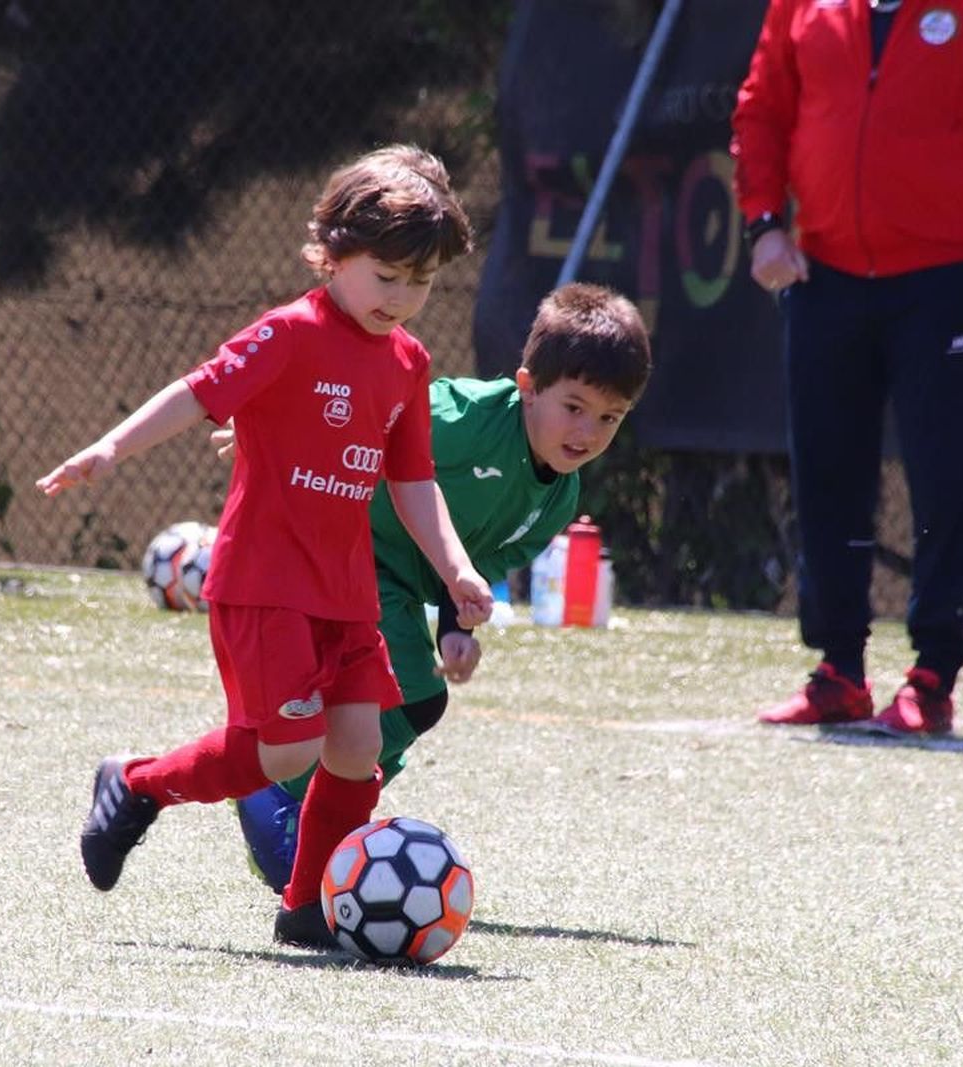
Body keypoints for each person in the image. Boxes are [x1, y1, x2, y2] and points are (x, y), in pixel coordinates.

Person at [36, 144, 494, 949]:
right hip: (265, 582)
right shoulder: (289, 332)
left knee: (356, 745)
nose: (402, 298)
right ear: (333, 254)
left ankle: (306, 906)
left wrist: (456, 567)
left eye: (420, 282)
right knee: (286, 750)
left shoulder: (409, 363)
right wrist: (110, 449)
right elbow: (198, 391)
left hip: (346, 592)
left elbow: (412, 482)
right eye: (386, 277)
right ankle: (137, 784)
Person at [228, 283, 653, 893]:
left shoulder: (559, 499)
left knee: (418, 702)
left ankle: (318, 812)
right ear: (528, 386)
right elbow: (377, 409)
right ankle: (277, 795)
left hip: (396, 583)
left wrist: (457, 626)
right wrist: (285, 429)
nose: (588, 432)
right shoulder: (465, 418)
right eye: (575, 406)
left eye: (610, 417)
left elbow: (477, 561)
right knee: (404, 696)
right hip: (344, 552)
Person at [732, 0, 963, 736]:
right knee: (826, 472)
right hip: (823, 274)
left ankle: (933, 674)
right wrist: (763, 223)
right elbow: (761, 109)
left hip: (947, 280)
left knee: (948, 475)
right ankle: (839, 667)